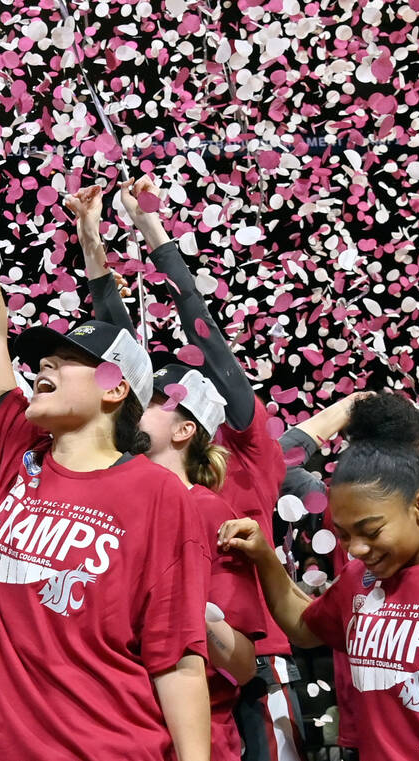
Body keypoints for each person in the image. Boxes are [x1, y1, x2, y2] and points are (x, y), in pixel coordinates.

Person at [0, 123, 211, 761]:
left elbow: (175, 660)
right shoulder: (16, 449)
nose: (44, 366)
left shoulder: (157, 494)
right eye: (47, 356)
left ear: (117, 388)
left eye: (70, 360)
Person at [105, 175, 303, 760]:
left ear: (190, 423)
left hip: (253, 658)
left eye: (162, 401)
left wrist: (151, 230)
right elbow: (122, 357)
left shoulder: (250, 453)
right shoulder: (140, 480)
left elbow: (207, 335)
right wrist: (94, 253)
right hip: (186, 661)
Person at [219, 437, 419, 761]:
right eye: (344, 535)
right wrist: (263, 557)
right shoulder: (360, 579)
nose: (356, 549)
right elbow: (303, 626)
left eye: (371, 531)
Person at [138, 363, 267, 761]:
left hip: (193, 737)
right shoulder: (114, 503)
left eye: (152, 403)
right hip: (121, 729)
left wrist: (200, 616)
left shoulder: (211, 513)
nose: (133, 410)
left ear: (184, 430)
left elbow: (243, 664)